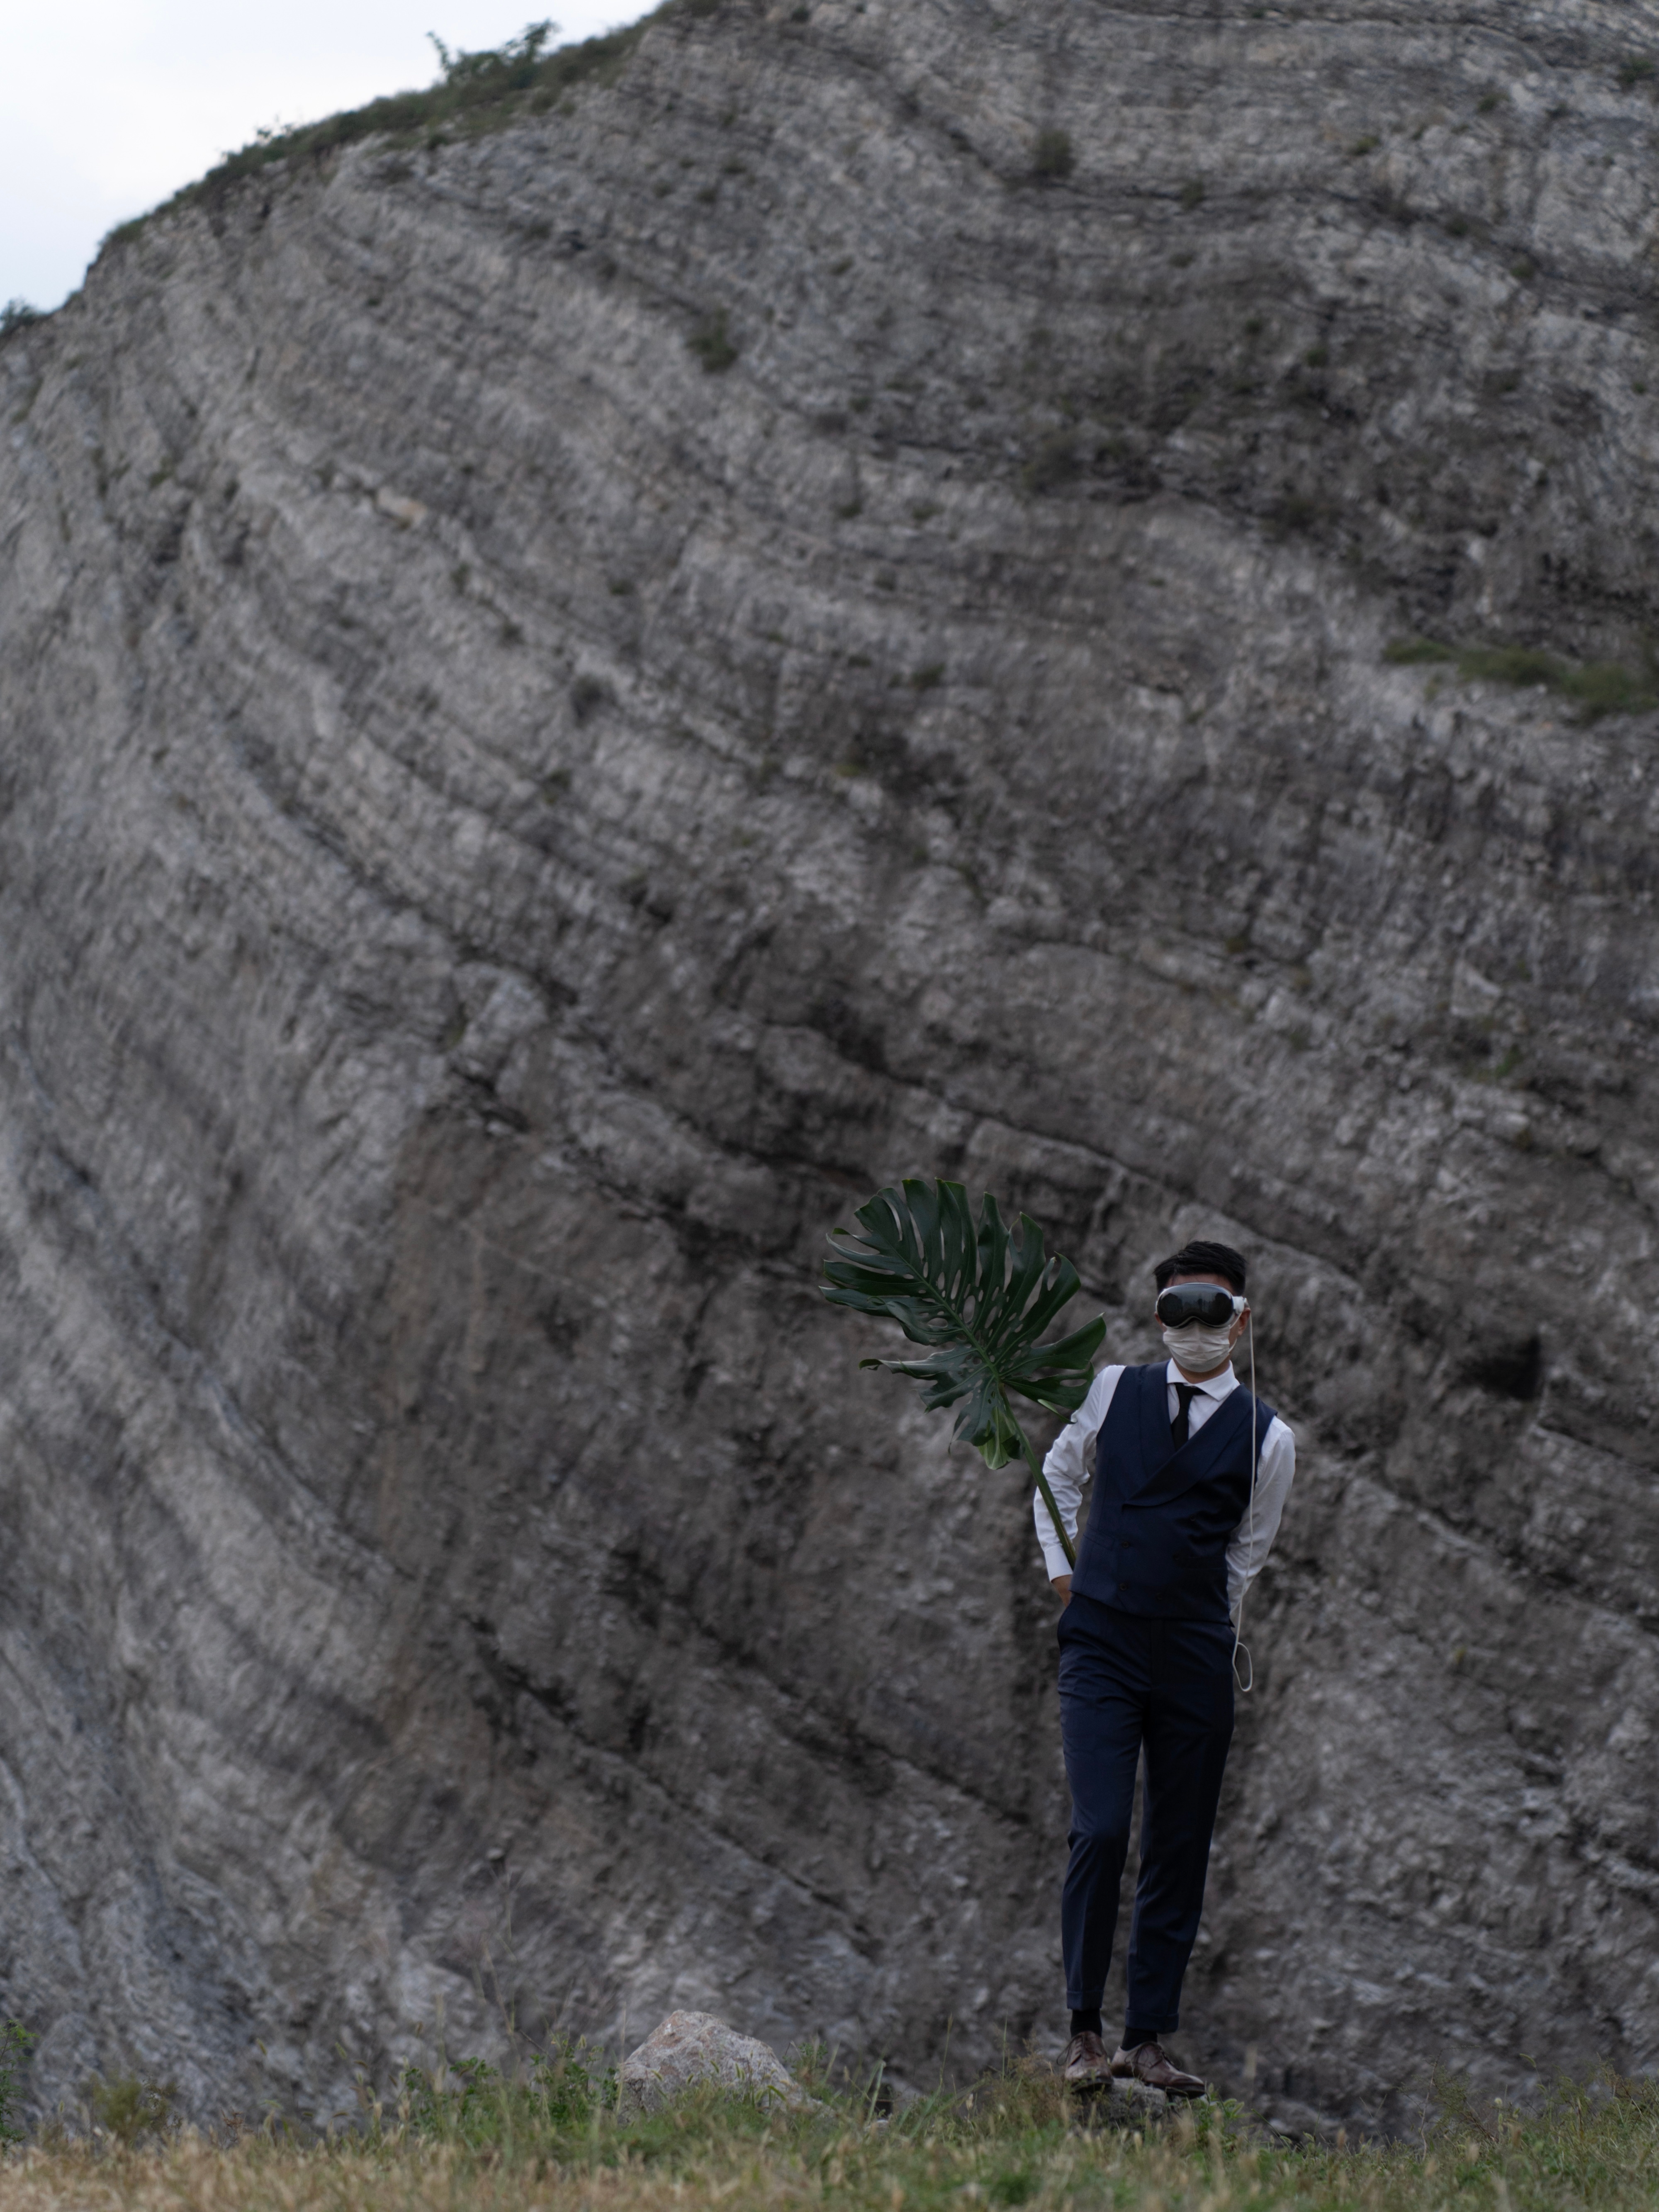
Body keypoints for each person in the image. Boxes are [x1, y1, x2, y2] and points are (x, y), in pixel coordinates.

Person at [1033, 1237, 1296, 2097]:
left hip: (1192, 1656)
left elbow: (1247, 1552)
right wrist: (1068, 1579)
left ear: (1240, 1320)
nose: (1194, 1325)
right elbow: (1056, 1476)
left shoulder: (1269, 1437)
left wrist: (1193, 1615)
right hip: (1101, 1645)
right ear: (1157, 1316)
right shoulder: (1114, 1388)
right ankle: (1082, 2030)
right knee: (1101, 1829)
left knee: (1178, 1845)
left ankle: (1143, 2039)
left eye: (1212, 1309)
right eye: (1178, 1308)